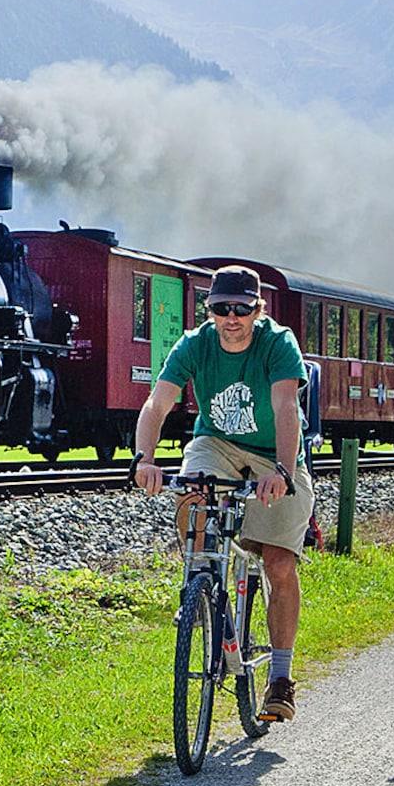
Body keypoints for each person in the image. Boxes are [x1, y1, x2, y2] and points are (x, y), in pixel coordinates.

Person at [133, 265, 317, 721]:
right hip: (216, 444)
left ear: (258, 310)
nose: (231, 318)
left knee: (278, 563)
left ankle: (280, 677)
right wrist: (144, 459)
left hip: (274, 452)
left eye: (241, 309)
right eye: (221, 308)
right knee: (190, 492)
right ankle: (200, 584)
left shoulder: (278, 343)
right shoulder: (195, 344)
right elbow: (158, 402)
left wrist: (282, 470)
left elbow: (285, 406)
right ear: (209, 310)